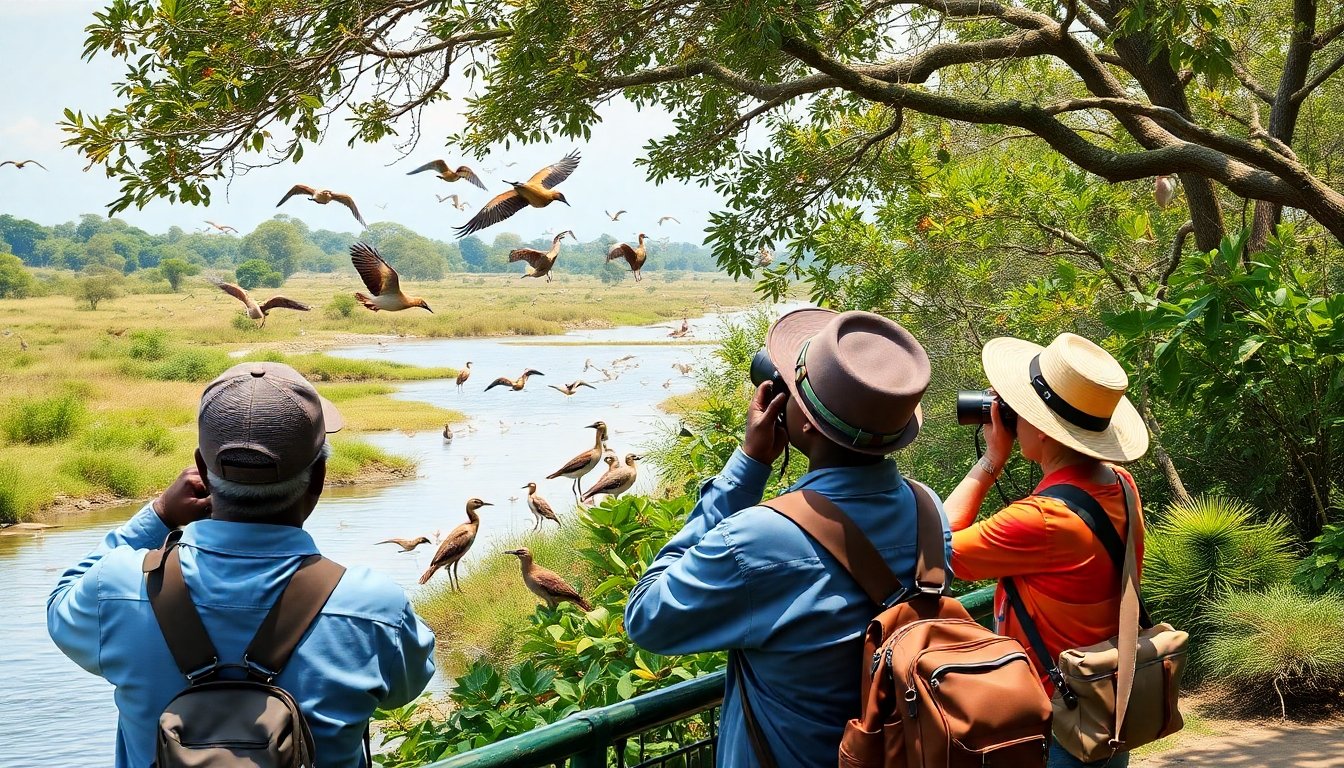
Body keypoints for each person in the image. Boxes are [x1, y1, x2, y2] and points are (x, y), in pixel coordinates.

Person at [47, 362, 436, 768]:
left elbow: (61, 603)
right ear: (319, 477)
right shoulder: (374, 607)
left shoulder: (117, 586)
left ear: (201, 469)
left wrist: (160, 514)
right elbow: (405, 686)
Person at [625, 308, 949, 767]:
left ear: (803, 423)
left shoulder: (759, 537)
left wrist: (746, 468)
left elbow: (646, 618)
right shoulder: (927, 511)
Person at [943, 333, 1150, 768]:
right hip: (1106, 700)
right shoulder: (1120, 484)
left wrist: (989, 461)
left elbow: (940, 547)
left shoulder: (1044, 519)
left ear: (1038, 427)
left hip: (1060, 720)